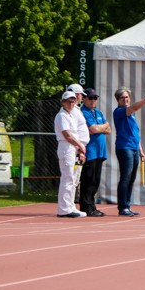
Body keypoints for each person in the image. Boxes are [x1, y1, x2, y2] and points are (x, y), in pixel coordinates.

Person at [113, 86, 145, 217]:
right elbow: (134, 107)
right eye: (122, 97)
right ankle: (122, 207)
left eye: (127, 97)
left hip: (133, 147)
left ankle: (127, 205)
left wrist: (141, 151)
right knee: (125, 177)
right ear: (118, 100)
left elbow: (135, 134)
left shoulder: (131, 115)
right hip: (124, 147)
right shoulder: (120, 111)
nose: (125, 99)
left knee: (132, 177)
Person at [54, 90, 88, 218]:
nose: (71, 104)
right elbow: (67, 135)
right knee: (67, 177)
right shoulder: (61, 116)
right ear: (63, 102)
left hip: (72, 148)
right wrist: (80, 146)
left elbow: (75, 134)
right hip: (66, 147)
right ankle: (64, 208)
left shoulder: (71, 115)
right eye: (69, 101)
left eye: (73, 101)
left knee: (73, 178)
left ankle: (70, 205)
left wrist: (79, 148)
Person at [78, 88, 110, 216]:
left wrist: (100, 128)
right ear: (84, 99)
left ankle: (91, 205)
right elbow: (93, 129)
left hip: (100, 151)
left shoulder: (98, 112)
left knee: (96, 180)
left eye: (95, 98)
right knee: (88, 180)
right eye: (90, 98)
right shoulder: (83, 112)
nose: (93, 101)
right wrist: (103, 127)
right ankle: (86, 206)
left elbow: (109, 130)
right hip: (90, 151)